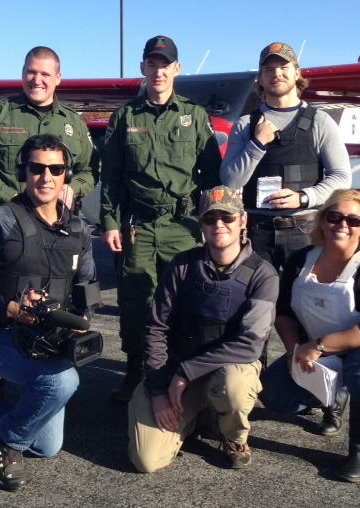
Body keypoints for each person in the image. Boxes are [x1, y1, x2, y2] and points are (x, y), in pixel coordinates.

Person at [0, 134, 99, 492]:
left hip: (48, 342)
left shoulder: (78, 228)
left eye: (55, 169)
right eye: (36, 168)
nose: (46, 177)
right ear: (23, 172)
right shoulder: (0, 220)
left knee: (47, 446)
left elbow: (87, 286)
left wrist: (81, 320)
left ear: (66, 175)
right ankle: (7, 445)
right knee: (63, 382)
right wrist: (9, 308)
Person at [259, 189, 360, 482]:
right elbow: (283, 313)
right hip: (325, 352)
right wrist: (296, 352)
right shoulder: (301, 260)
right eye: (334, 216)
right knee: (276, 395)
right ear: (322, 220)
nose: (343, 224)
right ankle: (332, 397)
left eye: (353, 220)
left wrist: (317, 346)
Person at [101, 35, 222, 401]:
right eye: (151, 64)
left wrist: (214, 224)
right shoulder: (125, 117)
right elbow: (112, 177)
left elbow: (212, 178)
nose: (158, 71)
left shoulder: (194, 116)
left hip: (181, 226)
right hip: (138, 224)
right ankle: (135, 370)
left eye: (165, 64)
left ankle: (180, 369)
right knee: (135, 300)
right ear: (143, 69)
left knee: (184, 300)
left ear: (176, 69)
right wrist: (109, 221)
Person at [127, 186, 278, 472]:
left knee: (235, 385)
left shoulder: (262, 275)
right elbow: (156, 328)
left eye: (227, 217)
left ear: (243, 221)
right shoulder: (183, 265)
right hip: (176, 373)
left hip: (224, 373)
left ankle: (233, 436)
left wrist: (187, 372)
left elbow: (250, 344)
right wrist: (158, 391)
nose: (219, 224)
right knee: (146, 460)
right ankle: (196, 415)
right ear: (201, 225)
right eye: (210, 219)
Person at [220, 42, 352, 271]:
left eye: (283, 66)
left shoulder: (320, 121)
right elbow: (230, 181)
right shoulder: (245, 125)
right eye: (268, 69)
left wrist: (303, 197)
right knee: (257, 302)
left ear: (297, 72)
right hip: (256, 233)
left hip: (305, 231)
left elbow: (341, 177)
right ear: (260, 79)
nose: (276, 73)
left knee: (303, 302)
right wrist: (257, 144)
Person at [0, 45, 99, 214]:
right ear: (22, 73)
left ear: (58, 78)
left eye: (45, 74)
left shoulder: (75, 123)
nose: (36, 80)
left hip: (57, 223)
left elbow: (89, 171)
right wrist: (11, 198)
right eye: (31, 72)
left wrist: (72, 188)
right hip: (6, 218)